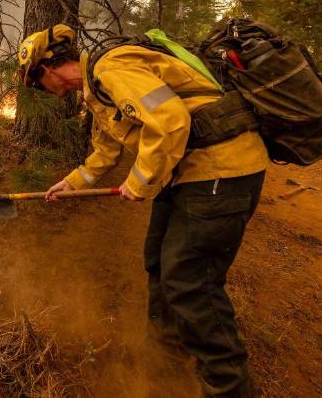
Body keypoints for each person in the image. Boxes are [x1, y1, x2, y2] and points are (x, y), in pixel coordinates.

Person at [18, 24, 269, 398]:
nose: (43, 93)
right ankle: (164, 362)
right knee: (159, 262)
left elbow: (170, 120)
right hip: (188, 177)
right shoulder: (96, 90)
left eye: (35, 85)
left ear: (47, 69)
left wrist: (139, 181)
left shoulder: (111, 68)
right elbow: (106, 151)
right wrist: (72, 183)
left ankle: (229, 388)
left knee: (191, 281)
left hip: (220, 172)